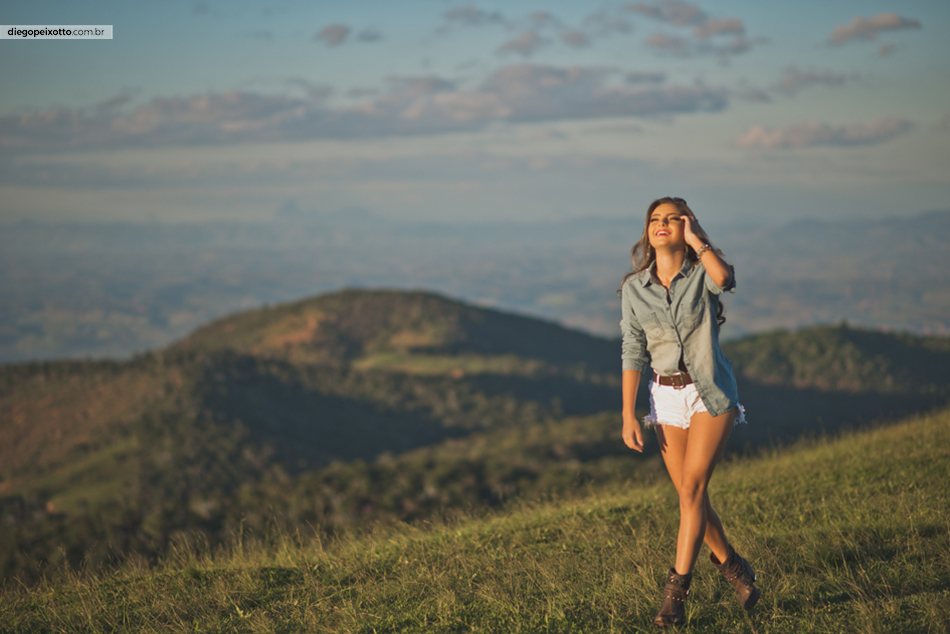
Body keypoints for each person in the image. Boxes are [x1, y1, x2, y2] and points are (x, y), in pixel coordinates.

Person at [618, 197, 760, 627]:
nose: (662, 225)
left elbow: (725, 278)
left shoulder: (701, 272)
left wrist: (698, 241)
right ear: (647, 231)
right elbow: (632, 350)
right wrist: (628, 413)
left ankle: (675, 594)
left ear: (687, 226)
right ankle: (735, 567)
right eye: (655, 220)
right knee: (689, 496)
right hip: (665, 399)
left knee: (693, 490)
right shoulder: (634, 289)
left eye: (672, 219)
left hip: (710, 394)